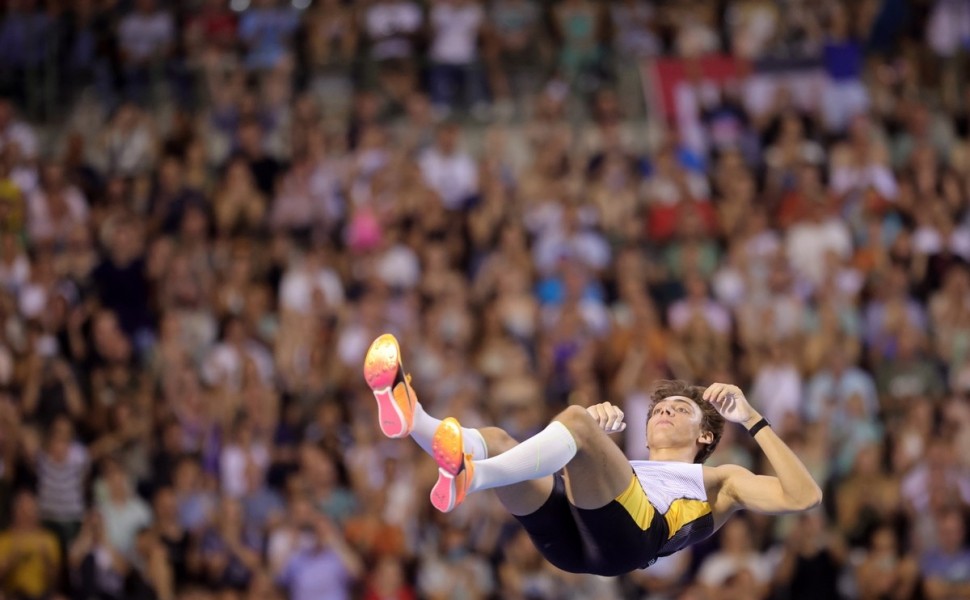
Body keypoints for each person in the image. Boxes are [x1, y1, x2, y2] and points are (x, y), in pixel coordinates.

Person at [363, 333, 823, 576]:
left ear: (704, 435)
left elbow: (805, 497)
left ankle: (474, 476)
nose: (662, 413)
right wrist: (587, 440)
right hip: (576, 539)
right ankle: (414, 418)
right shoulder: (629, 464)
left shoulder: (721, 481)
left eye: (678, 409)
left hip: (637, 537)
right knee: (502, 438)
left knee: (576, 420)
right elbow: (592, 470)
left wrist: (753, 418)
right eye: (658, 408)